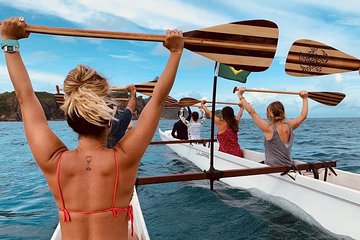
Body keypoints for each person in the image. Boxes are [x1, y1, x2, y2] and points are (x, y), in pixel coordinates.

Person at [1, 16, 183, 240]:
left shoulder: (53, 161)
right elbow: (157, 99)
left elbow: (25, 98)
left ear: (70, 120)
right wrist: (176, 52)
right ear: (109, 122)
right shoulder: (123, 160)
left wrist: (10, 42)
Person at [237, 87, 308, 166]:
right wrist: (305, 98)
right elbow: (303, 116)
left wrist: (240, 95)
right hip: (288, 166)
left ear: (270, 114)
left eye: (267, 112)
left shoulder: (269, 129)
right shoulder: (290, 125)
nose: (266, 114)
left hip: (273, 169)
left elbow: (252, 112)